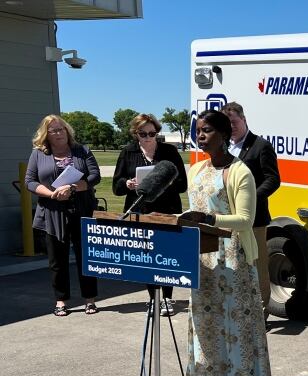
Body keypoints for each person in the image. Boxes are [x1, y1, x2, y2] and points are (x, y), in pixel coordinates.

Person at [181, 110, 271, 376]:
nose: (200, 136)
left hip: (233, 256)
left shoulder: (239, 171)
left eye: (206, 130)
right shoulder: (195, 170)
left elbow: (245, 219)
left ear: (224, 135)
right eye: (198, 131)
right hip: (203, 257)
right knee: (205, 321)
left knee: (233, 322)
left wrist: (208, 217)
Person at [25, 115, 101, 317]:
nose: (58, 133)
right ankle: (60, 300)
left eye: (61, 129)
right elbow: (30, 181)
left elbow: (95, 176)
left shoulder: (82, 150)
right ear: (46, 134)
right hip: (52, 212)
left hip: (82, 210)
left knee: (86, 257)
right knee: (57, 261)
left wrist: (72, 188)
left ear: (67, 131)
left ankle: (90, 299)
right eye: (53, 131)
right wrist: (52, 194)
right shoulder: (38, 154)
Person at [112, 114, 187, 316]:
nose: (147, 137)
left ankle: (168, 298)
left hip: (166, 209)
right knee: (146, 257)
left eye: (152, 133)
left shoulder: (169, 151)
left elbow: (183, 185)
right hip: (140, 211)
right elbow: (116, 187)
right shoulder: (128, 153)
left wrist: (165, 181)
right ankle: (153, 299)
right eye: (143, 133)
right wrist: (128, 184)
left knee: (167, 255)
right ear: (135, 133)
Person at [221, 102, 280, 325]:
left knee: (257, 265)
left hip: (254, 219)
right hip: (228, 218)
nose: (232, 127)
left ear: (244, 120)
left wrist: (251, 197)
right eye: (227, 124)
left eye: (234, 122)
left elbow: (273, 179)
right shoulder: (224, 148)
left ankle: (261, 312)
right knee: (233, 265)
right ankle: (237, 308)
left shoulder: (260, 146)